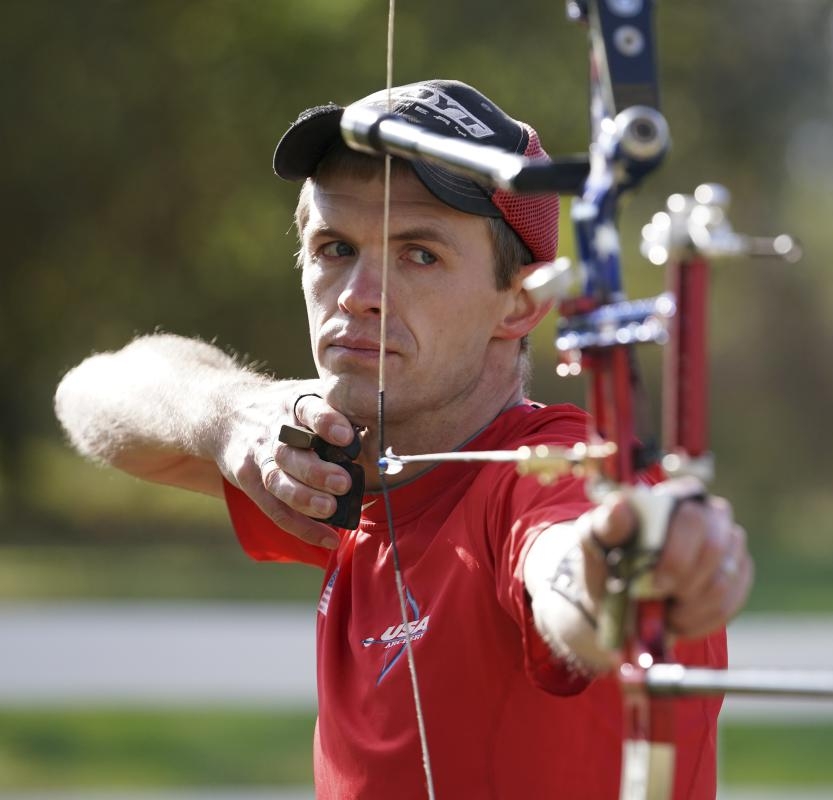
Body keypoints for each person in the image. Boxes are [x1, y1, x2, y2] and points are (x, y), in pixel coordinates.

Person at [54, 79, 752, 799]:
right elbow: (89, 394)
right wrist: (232, 413)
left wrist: (619, 572)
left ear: (520, 302)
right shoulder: (339, 470)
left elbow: (565, 564)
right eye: (334, 248)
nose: (359, 293)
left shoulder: (536, 475)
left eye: (420, 255)